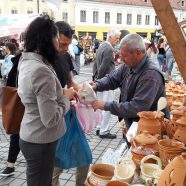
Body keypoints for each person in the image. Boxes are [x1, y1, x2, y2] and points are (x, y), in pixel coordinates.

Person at [17, 16, 74, 186]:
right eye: (57, 38)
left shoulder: (28, 60)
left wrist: (60, 94)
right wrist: (66, 98)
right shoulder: (41, 70)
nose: (59, 43)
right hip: (40, 141)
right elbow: (50, 119)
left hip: (32, 135)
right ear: (47, 39)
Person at [91, 33, 169, 131]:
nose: (121, 59)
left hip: (151, 131)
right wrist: (96, 84)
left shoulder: (150, 74)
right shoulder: (128, 65)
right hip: (136, 126)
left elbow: (136, 107)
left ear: (137, 52)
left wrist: (105, 105)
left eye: (124, 56)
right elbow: (112, 79)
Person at [52, 21, 89, 186]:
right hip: (54, 118)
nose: (66, 48)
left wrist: (84, 91)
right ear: (52, 38)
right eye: (62, 44)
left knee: (85, 158)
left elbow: (71, 81)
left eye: (68, 44)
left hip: (69, 115)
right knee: (55, 166)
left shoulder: (65, 56)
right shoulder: (44, 61)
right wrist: (64, 95)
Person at [92, 28, 120, 139]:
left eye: (118, 38)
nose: (118, 40)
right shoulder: (108, 48)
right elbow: (103, 66)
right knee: (107, 106)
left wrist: (96, 80)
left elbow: (96, 64)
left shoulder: (103, 45)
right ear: (110, 37)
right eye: (116, 38)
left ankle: (99, 128)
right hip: (106, 83)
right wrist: (99, 81)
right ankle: (104, 131)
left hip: (101, 82)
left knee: (100, 106)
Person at [0, 52, 22, 177]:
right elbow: (10, 82)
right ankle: (10, 164)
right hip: (20, 103)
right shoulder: (20, 59)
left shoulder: (52, 58)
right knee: (16, 133)